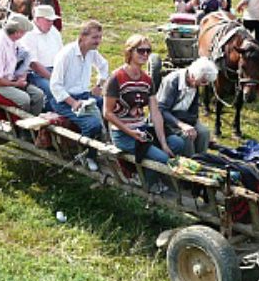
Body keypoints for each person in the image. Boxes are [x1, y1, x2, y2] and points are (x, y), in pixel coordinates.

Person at [104, 34, 173, 193]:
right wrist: (130, 132)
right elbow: (107, 113)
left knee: (176, 143)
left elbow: (155, 113)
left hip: (141, 131)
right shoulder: (116, 78)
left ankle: (153, 178)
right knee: (162, 158)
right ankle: (145, 185)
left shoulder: (147, 80)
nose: (145, 55)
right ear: (130, 52)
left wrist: (163, 142)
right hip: (123, 134)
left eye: (148, 51)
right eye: (141, 50)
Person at [50, 20, 109, 170]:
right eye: (95, 38)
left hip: (83, 96)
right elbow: (55, 86)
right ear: (82, 37)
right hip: (64, 100)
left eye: (100, 37)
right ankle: (87, 156)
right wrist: (73, 103)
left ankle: (105, 144)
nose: (98, 41)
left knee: (108, 109)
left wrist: (99, 86)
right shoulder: (66, 54)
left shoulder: (91, 51)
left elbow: (104, 66)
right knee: (92, 124)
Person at [0, 13, 45, 115]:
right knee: (24, 99)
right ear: (18, 33)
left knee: (38, 95)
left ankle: (33, 123)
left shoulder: (12, 40)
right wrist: (15, 84)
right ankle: (21, 127)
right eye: (24, 33)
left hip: (9, 78)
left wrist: (22, 76)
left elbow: (25, 55)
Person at [157, 57, 219, 157]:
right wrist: (182, 125)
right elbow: (161, 110)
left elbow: (194, 111)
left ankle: (202, 161)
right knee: (186, 136)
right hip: (166, 120)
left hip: (184, 118)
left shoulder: (195, 83)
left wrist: (193, 125)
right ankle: (190, 163)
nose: (204, 85)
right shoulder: (173, 81)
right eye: (203, 82)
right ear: (193, 76)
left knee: (204, 132)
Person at [19, 4, 63, 111]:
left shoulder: (53, 31)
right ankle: (52, 118)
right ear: (38, 19)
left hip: (55, 69)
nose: (51, 23)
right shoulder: (28, 34)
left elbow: (62, 54)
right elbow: (33, 64)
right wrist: (52, 78)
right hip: (36, 74)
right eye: (48, 20)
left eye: (52, 20)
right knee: (51, 90)